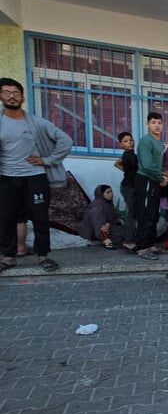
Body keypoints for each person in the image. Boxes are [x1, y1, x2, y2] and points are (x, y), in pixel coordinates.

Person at [0, 77, 72, 273]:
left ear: (22, 98)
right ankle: (9, 257)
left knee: (40, 217)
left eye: (15, 93)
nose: (11, 97)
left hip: (35, 177)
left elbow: (65, 140)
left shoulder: (37, 123)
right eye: (7, 92)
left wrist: (48, 160)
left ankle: (43, 256)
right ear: (1, 96)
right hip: (7, 177)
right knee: (7, 217)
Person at [134, 112, 168, 261]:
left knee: (153, 214)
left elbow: (156, 164)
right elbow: (147, 165)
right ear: (147, 124)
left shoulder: (159, 143)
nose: (157, 125)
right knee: (145, 214)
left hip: (155, 180)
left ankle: (150, 244)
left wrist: (164, 173)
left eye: (159, 122)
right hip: (146, 180)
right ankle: (142, 248)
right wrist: (160, 177)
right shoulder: (146, 141)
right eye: (153, 122)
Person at [77, 185, 134, 251]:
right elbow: (98, 222)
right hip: (94, 230)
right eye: (108, 192)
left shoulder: (108, 203)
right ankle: (106, 241)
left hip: (107, 227)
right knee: (120, 234)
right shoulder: (96, 206)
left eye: (111, 192)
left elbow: (112, 218)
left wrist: (118, 220)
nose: (111, 194)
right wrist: (106, 228)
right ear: (101, 194)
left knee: (127, 230)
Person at [113, 131, 138, 237]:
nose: (130, 143)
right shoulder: (129, 156)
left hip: (132, 186)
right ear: (121, 144)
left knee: (133, 213)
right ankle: (129, 240)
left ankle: (133, 237)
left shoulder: (131, 155)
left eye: (131, 140)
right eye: (126, 141)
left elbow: (117, 164)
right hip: (129, 187)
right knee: (131, 213)